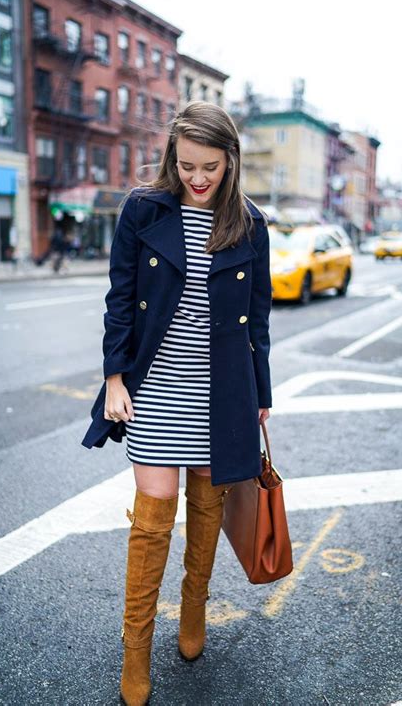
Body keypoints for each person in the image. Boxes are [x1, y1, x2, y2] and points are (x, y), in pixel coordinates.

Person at [81, 101, 272, 705]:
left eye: (210, 167)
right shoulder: (143, 209)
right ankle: (135, 652)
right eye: (186, 164)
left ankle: (194, 608)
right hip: (157, 388)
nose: (197, 177)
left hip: (223, 395)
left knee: (208, 514)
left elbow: (258, 321)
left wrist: (261, 395)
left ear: (230, 162)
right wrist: (115, 378)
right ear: (172, 157)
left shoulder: (248, 223)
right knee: (152, 521)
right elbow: (121, 298)